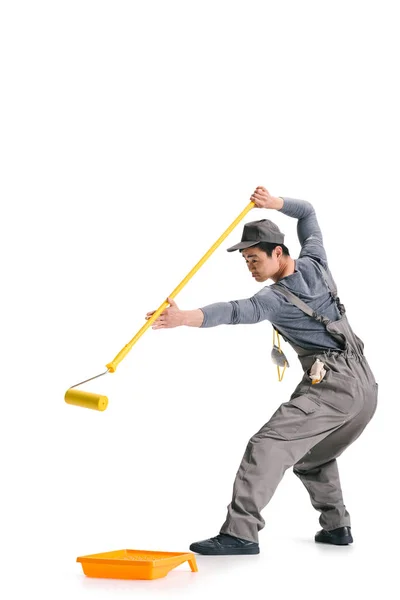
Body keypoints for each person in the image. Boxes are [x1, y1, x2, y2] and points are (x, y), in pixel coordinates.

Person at [145, 186, 378, 555]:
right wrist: (277, 204)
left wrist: (182, 318)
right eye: (246, 260)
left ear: (278, 252)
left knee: (268, 445)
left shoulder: (274, 299)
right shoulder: (316, 261)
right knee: (313, 455)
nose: (250, 266)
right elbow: (308, 213)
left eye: (254, 258)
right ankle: (336, 529)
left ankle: (240, 533)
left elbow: (235, 311)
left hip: (335, 385)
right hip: (365, 388)